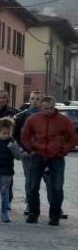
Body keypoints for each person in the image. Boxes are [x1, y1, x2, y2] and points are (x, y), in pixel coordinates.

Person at [19, 96, 77, 225]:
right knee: (33, 186)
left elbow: (73, 138)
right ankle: (33, 214)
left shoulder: (63, 120)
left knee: (57, 188)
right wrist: (30, 150)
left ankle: (55, 216)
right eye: (46, 108)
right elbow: (24, 136)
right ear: (41, 107)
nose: (49, 111)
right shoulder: (33, 119)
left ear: (54, 106)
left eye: (52, 108)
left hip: (57, 157)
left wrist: (64, 149)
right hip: (37, 156)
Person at [14, 90, 47, 215]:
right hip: (28, 154)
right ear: (29, 100)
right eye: (33, 98)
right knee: (30, 180)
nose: (35, 101)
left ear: (42, 100)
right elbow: (15, 135)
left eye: (38, 99)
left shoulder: (47, 115)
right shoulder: (22, 116)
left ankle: (56, 207)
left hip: (45, 154)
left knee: (49, 179)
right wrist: (22, 149)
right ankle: (29, 204)